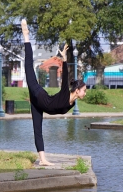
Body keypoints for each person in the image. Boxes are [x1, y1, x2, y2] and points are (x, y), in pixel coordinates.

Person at [21, 19, 87, 166]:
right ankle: (26, 37)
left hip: (39, 105)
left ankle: (42, 159)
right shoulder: (66, 95)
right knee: (29, 68)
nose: (85, 93)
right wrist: (64, 59)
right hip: (38, 94)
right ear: (77, 90)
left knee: (37, 130)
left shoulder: (73, 102)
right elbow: (64, 78)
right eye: (84, 91)